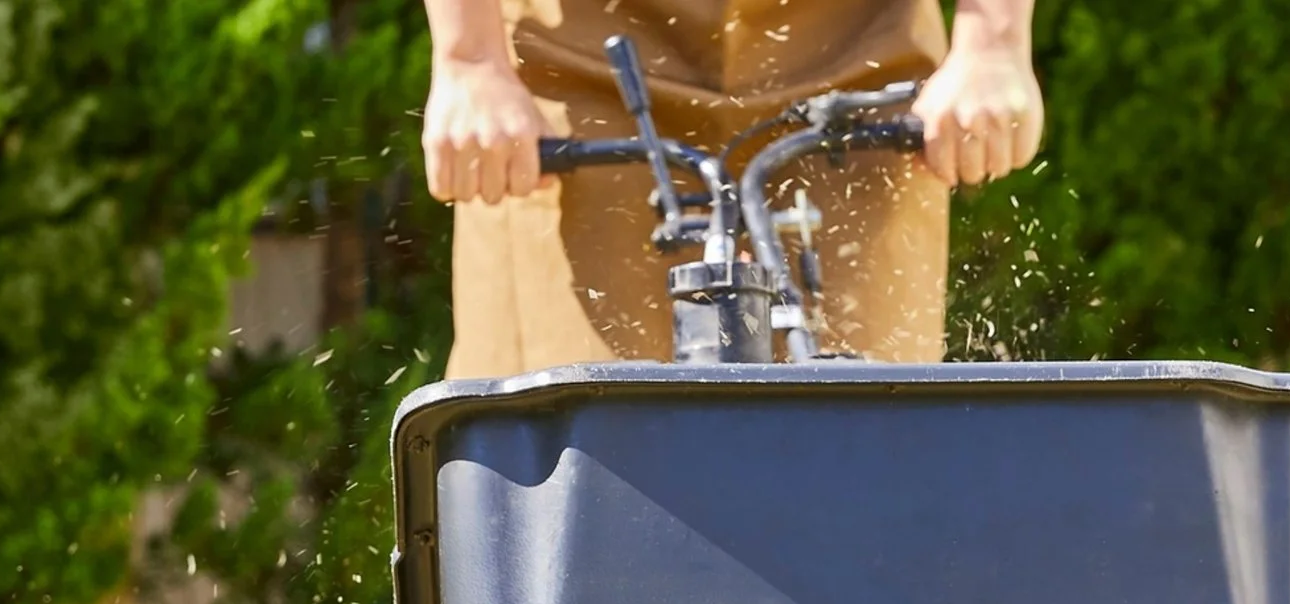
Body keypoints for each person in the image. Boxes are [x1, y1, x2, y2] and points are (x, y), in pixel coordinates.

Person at [423, 0, 1043, 374]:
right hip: (580, 52)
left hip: (855, 46)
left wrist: (994, 42)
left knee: (867, 445)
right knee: (566, 452)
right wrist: (470, 59)